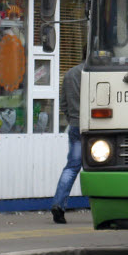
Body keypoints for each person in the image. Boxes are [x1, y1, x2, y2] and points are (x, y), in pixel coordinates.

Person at [50, 60, 85, 224]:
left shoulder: (70, 74)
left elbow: (63, 102)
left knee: (72, 167)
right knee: (104, 168)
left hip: (76, 126)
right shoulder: (98, 72)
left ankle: (58, 205)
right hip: (99, 128)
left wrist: (73, 119)